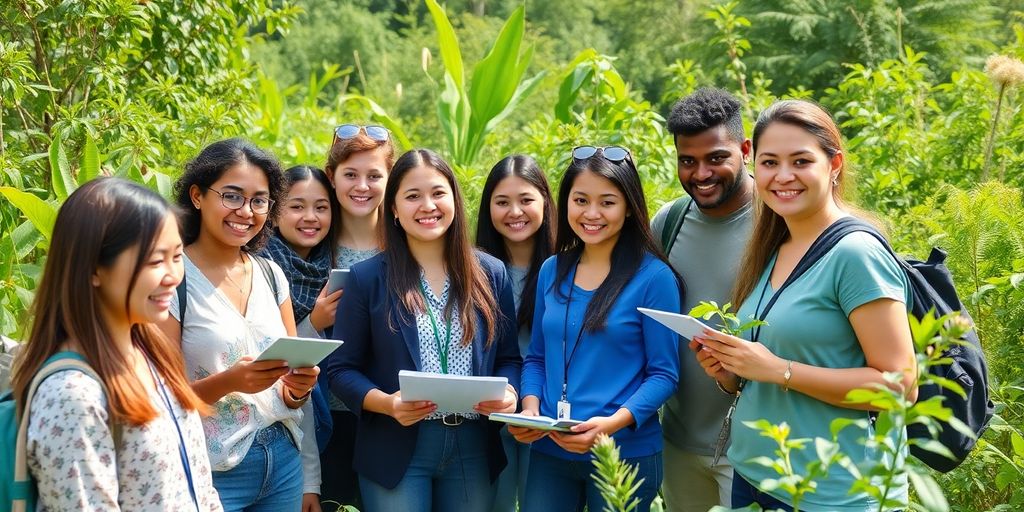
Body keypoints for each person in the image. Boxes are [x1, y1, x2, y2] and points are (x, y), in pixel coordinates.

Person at [692, 99, 917, 511]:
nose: (783, 176)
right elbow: (774, 368)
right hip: (756, 476)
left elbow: (900, 386)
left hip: (831, 493)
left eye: (800, 161)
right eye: (769, 162)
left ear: (834, 166)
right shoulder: (775, 245)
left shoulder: (856, 254)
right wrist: (730, 372)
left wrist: (779, 370)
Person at [325, 148, 521, 512]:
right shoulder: (367, 279)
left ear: (455, 201)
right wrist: (386, 404)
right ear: (394, 209)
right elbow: (340, 369)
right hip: (395, 444)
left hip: (472, 445)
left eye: (437, 193)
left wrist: (509, 392)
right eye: (412, 196)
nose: (427, 205)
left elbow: (509, 358)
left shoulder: (491, 273)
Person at [13, 177, 222, 511]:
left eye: (177, 257)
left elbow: (199, 483)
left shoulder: (151, 352)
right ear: (94, 268)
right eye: (155, 261)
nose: (173, 276)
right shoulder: (72, 394)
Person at [512, 145, 682, 512]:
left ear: (629, 206)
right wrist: (529, 409)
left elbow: (664, 374)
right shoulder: (551, 270)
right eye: (580, 200)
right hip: (550, 448)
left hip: (623, 453)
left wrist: (610, 425)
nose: (592, 213)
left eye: (607, 202)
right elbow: (537, 357)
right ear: (566, 202)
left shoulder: (655, 278)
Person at [161, 138, 321, 512]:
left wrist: (298, 388)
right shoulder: (172, 279)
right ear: (198, 196)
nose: (246, 211)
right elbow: (162, 397)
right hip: (210, 468)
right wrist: (229, 381)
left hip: (282, 459)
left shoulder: (271, 274)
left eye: (259, 200)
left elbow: (288, 383)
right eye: (232, 196)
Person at [651, 87, 754, 511]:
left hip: (754, 448)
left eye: (716, 158)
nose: (701, 173)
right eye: (687, 161)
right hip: (678, 443)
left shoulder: (780, 224)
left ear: (745, 150)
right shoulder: (668, 222)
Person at [319, 124, 396, 508]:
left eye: (374, 176)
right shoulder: (312, 240)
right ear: (331, 177)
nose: (361, 186)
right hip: (324, 414)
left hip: (387, 409)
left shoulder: (406, 245)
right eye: (350, 174)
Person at [474, 155, 556, 512]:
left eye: (526, 200)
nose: (515, 212)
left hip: (549, 411)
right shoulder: (474, 269)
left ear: (545, 203)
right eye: (502, 202)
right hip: (491, 411)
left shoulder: (569, 265)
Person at [260, 164, 344, 503]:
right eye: (296, 206)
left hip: (337, 416)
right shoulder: (260, 264)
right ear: (275, 211)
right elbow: (285, 361)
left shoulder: (332, 265)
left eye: (321, 207)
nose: (310, 217)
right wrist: (315, 322)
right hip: (278, 426)